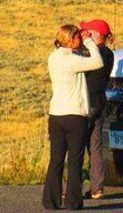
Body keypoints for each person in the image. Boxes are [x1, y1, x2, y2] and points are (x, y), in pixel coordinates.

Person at [42, 24, 103, 210]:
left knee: (56, 159)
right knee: (75, 160)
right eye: (77, 37)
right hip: (74, 115)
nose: (80, 40)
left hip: (56, 115)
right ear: (69, 40)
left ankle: (50, 200)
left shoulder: (53, 57)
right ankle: (73, 201)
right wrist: (90, 41)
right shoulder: (72, 60)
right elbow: (97, 62)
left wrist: (82, 41)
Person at [80, 19, 115, 200]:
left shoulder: (93, 55)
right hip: (100, 102)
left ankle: (74, 187)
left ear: (96, 34)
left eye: (88, 32)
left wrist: (83, 43)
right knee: (96, 146)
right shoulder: (109, 54)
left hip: (86, 103)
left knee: (77, 145)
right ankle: (97, 187)